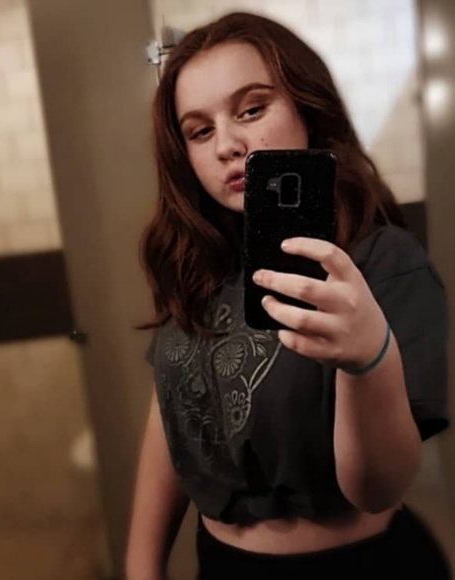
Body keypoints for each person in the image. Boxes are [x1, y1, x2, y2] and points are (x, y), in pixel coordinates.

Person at [126, 11, 451, 580]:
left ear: (307, 108)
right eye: (200, 131)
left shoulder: (382, 263)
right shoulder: (198, 264)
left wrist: (367, 360)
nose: (228, 145)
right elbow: (173, 409)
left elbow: (378, 489)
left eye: (252, 109)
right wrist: (141, 564)